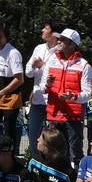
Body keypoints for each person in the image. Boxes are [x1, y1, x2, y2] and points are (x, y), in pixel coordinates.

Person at [42, 29, 92, 164]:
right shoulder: (52, 60)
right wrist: (47, 84)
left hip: (73, 118)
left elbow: (88, 94)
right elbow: (42, 88)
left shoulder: (84, 65)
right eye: (59, 39)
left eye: (63, 40)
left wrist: (73, 97)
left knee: (75, 154)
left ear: (72, 44)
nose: (59, 41)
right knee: (53, 154)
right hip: (54, 116)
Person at [24, 21, 60, 151]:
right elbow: (28, 73)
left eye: (45, 28)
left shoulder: (61, 51)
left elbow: (60, 74)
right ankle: (34, 163)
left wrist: (42, 66)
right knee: (33, 135)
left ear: (54, 34)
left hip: (54, 100)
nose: (42, 30)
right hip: (38, 99)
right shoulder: (38, 48)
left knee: (54, 137)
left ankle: (53, 165)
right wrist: (34, 65)